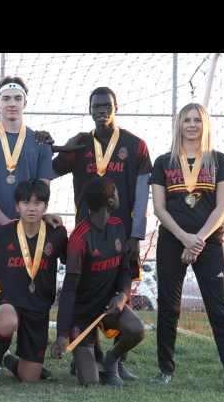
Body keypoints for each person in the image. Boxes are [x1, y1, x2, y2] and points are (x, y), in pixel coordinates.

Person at [51, 87, 152, 381]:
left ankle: (116, 361)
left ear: (116, 107)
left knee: (121, 293)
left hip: (122, 236)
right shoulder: (81, 145)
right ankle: (87, 353)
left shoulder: (136, 145)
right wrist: (52, 146)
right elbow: (51, 170)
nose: (101, 110)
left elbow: (143, 194)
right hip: (88, 236)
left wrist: (136, 234)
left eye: (107, 105)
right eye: (96, 105)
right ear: (89, 108)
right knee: (86, 291)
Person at [149, 103, 224, 394]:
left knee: (219, 311)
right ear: (179, 125)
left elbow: (222, 207)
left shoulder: (220, 160)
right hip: (171, 242)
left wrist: (198, 239)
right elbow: (159, 209)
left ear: (205, 125)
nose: (192, 125)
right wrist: (184, 238)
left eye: (197, 120)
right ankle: (165, 370)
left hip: (209, 243)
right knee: (168, 309)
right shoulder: (164, 162)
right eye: (186, 120)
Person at [0, 76, 54, 379]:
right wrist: (7, 225)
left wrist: (27, 221)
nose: (12, 104)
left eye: (17, 98)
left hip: (33, 232)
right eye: (6, 99)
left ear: (25, 103)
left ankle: (26, 358)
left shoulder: (40, 142)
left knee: (31, 291)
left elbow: (43, 188)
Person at [52, 177, 146, 386]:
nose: (118, 196)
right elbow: (68, 290)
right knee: (90, 381)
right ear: (111, 202)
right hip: (83, 314)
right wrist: (62, 335)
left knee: (137, 330)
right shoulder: (79, 239)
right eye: (116, 194)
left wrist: (122, 295)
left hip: (107, 306)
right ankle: (86, 355)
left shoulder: (117, 225)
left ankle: (110, 361)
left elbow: (124, 269)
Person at [0, 180, 68, 389]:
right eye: (25, 202)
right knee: (8, 321)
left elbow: (70, 261)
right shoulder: (1, 235)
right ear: (16, 205)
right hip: (9, 301)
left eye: (38, 203)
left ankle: (7, 359)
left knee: (29, 378)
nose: (31, 208)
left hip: (38, 307)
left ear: (46, 206)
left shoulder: (57, 233)